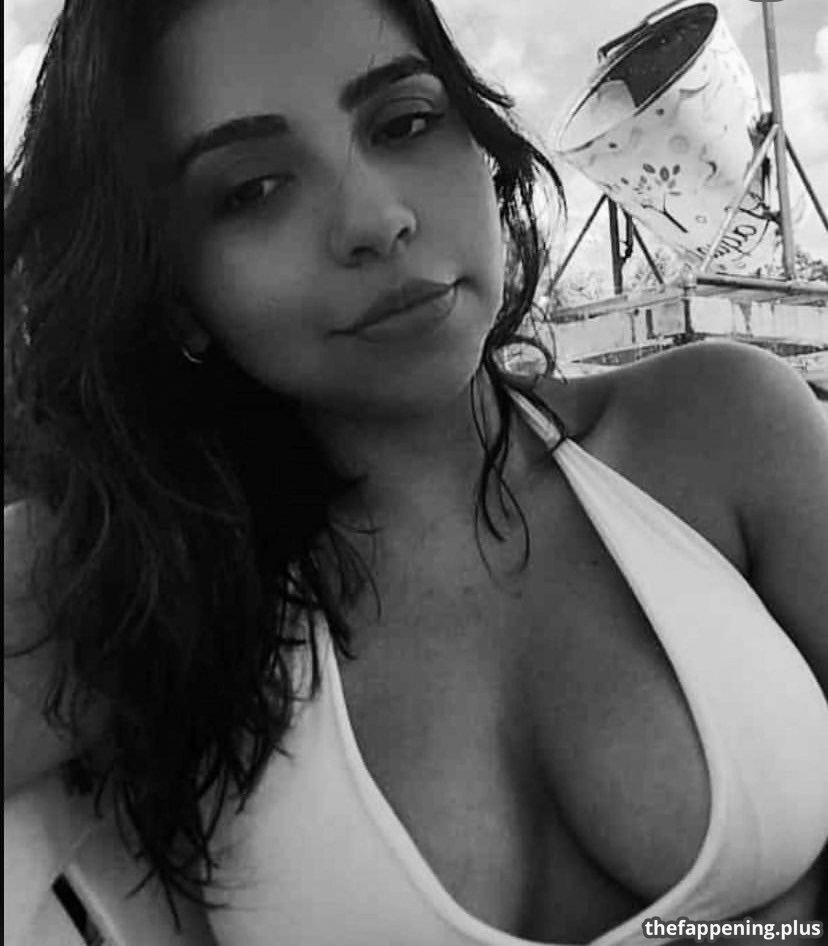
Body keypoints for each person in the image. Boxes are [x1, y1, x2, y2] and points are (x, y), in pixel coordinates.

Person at [4, 0, 828, 943]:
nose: (377, 220)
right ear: (172, 293)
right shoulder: (143, 584)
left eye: (404, 123)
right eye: (253, 189)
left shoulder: (720, 428)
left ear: (479, 139)